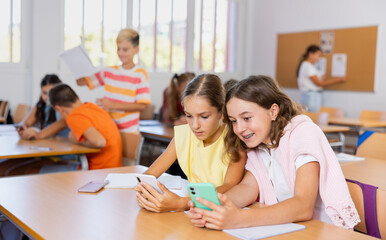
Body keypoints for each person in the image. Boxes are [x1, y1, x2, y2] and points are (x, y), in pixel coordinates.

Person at [187, 75, 360, 230]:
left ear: (273, 111)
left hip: (322, 229)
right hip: (291, 227)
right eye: (233, 121)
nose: (239, 128)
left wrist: (239, 219)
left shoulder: (303, 133)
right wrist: (213, 208)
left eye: (247, 118)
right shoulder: (259, 144)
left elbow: (303, 205)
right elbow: (247, 188)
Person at [135, 74, 246, 213]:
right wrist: (145, 192)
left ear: (222, 112)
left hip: (221, 211)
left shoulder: (235, 140)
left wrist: (182, 203)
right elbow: (149, 175)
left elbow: (230, 186)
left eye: (204, 116)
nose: (195, 125)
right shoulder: (183, 135)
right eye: (189, 116)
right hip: (193, 213)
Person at [76, 28, 150, 133]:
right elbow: (81, 82)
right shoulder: (109, 72)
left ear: (136, 50)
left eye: (125, 49)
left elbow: (141, 106)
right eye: (118, 49)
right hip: (109, 128)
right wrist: (78, 67)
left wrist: (112, 105)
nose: (120, 53)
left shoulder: (140, 74)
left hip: (129, 130)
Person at [49, 84, 122, 170]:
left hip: (98, 170)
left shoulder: (74, 116)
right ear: (77, 97)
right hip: (115, 167)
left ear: (59, 109)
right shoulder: (91, 107)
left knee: (35, 168)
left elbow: (99, 142)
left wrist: (77, 140)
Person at [17, 74, 69, 140]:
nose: (47, 97)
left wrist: (39, 135)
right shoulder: (41, 105)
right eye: (44, 93)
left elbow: (62, 123)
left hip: (64, 144)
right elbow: (26, 123)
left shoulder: (64, 105)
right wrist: (22, 128)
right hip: (50, 143)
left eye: (50, 93)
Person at [296, 45, 345, 112]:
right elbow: (319, 83)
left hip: (312, 96)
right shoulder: (307, 66)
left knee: (315, 117)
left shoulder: (310, 66)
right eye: (318, 55)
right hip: (311, 96)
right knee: (313, 118)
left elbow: (318, 81)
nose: (318, 58)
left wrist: (322, 78)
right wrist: (338, 80)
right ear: (311, 54)